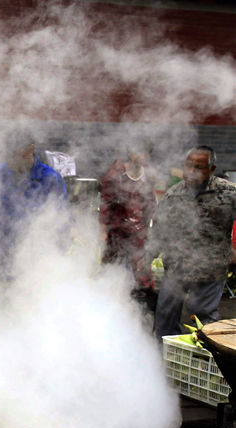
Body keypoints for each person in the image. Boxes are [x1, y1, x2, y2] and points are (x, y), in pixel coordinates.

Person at [146, 146, 236, 339]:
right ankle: (167, 359)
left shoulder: (228, 193)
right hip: (177, 266)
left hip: (211, 269)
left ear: (211, 169)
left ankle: (207, 358)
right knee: (165, 316)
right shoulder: (173, 195)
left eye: (199, 167)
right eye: (189, 166)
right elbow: (158, 231)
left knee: (203, 316)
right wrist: (146, 259)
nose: (192, 172)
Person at [0, 133, 69, 281]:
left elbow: (60, 220)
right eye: (7, 156)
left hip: (35, 261)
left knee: (31, 300)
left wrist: (59, 256)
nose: (9, 161)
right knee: (0, 299)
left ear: (30, 150)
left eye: (13, 156)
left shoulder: (50, 179)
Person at [99, 144, 158, 295]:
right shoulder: (114, 175)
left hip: (139, 233)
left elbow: (151, 203)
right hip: (116, 231)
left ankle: (144, 303)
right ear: (131, 153)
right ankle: (107, 297)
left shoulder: (149, 176)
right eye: (140, 152)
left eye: (146, 153)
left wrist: (150, 229)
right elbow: (105, 204)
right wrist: (103, 231)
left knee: (142, 271)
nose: (144, 157)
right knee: (112, 268)